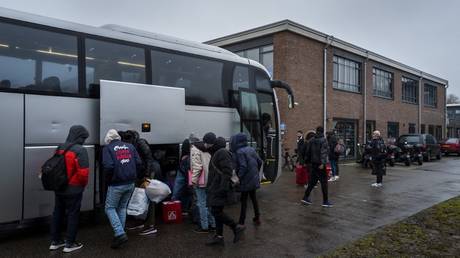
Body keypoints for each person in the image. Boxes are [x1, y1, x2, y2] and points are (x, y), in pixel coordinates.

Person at [49, 125, 89, 253]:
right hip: (74, 188)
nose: (84, 140)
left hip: (59, 187)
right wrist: (82, 185)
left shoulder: (60, 147)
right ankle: (69, 244)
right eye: (83, 137)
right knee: (72, 214)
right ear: (79, 136)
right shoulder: (80, 150)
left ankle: (55, 241)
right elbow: (83, 173)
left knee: (58, 213)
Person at [102, 129, 142, 248]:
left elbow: (108, 166)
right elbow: (138, 163)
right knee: (122, 207)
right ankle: (119, 233)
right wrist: (133, 175)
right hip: (130, 182)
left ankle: (119, 233)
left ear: (108, 139)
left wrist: (109, 179)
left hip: (116, 184)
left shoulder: (107, 149)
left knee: (109, 208)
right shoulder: (130, 146)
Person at [206, 137, 245, 246]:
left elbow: (227, 171)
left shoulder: (221, 153)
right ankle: (219, 236)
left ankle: (236, 226)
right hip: (217, 187)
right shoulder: (218, 153)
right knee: (217, 211)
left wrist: (223, 188)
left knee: (216, 211)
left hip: (219, 188)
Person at [120, 130, 159, 236]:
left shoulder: (141, 143)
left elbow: (149, 159)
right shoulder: (133, 143)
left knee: (148, 198)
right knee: (139, 198)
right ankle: (140, 221)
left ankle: (151, 226)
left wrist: (146, 176)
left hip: (147, 173)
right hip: (141, 173)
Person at [231, 133, 263, 226]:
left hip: (245, 180)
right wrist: (255, 173)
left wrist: (238, 178)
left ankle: (241, 222)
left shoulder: (239, 152)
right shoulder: (252, 149)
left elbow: (243, 166)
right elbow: (260, 161)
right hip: (253, 179)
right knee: (254, 199)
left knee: (244, 201)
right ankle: (257, 218)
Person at [301, 126, 333, 207]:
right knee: (324, 183)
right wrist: (323, 163)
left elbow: (308, 152)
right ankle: (325, 201)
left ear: (317, 131)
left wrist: (306, 162)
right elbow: (323, 152)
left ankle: (305, 197)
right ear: (322, 132)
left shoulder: (311, 140)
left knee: (312, 182)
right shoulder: (323, 140)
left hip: (313, 164)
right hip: (320, 165)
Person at [191, 133, 216, 233]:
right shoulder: (208, 149)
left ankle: (204, 226)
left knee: (201, 203)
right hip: (209, 179)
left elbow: (197, 167)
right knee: (209, 203)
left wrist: (193, 180)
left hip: (201, 181)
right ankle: (213, 224)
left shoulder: (195, 149)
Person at [172, 139, 192, 214]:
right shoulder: (190, 158)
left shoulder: (184, 158)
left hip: (181, 172)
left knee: (176, 192)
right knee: (186, 194)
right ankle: (184, 209)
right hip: (186, 174)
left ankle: (173, 209)